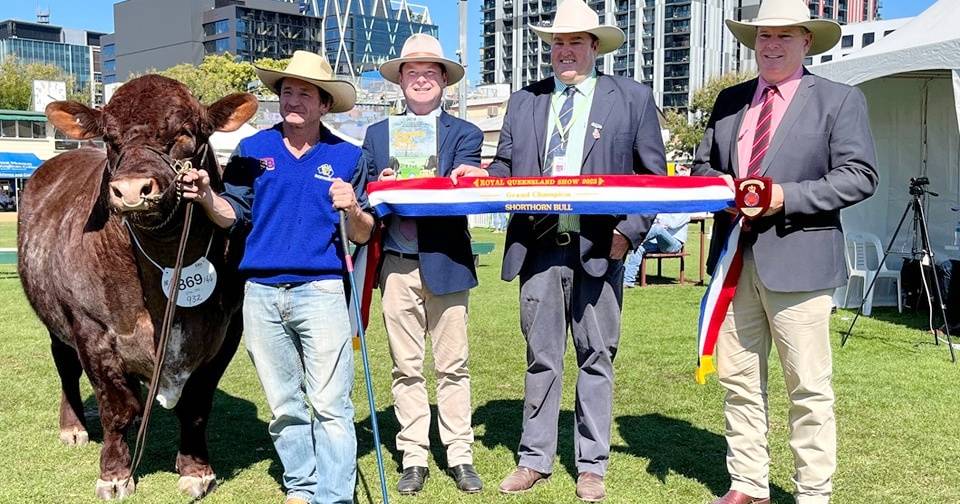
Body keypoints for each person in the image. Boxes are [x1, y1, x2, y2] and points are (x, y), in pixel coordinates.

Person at [691, 1, 878, 503]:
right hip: (733, 261)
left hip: (801, 263)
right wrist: (722, 187)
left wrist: (785, 197)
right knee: (739, 380)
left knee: (809, 391)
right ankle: (748, 484)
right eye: (763, 36)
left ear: (807, 41)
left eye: (783, 36)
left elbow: (860, 176)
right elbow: (701, 167)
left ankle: (813, 493)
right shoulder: (730, 100)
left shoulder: (840, 100)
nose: (770, 45)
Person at [483, 0, 666, 501]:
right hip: (538, 245)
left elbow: (655, 179)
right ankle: (534, 459)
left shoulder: (632, 98)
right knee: (541, 357)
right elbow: (503, 167)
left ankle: (591, 464)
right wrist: (479, 179)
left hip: (599, 249)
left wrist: (627, 234)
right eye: (558, 43)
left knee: (596, 355)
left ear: (595, 47)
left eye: (575, 42)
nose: (565, 51)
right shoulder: (525, 101)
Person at [180, 51, 375, 504]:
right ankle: (302, 486)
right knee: (284, 405)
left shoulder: (348, 156)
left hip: (322, 291)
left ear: (325, 104)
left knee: (330, 404)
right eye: (287, 91)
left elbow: (362, 235)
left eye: (305, 93)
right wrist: (209, 197)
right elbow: (234, 217)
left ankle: (335, 494)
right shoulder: (253, 150)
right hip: (261, 293)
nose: (294, 100)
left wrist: (353, 207)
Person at [363, 33, 487, 495]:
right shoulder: (376, 137)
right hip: (395, 264)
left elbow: (466, 194)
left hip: (448, 261)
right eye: (411, 73)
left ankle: (460, 454)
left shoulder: (467, 134)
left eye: (429, 72)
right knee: (405, 367)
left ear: (443, 82)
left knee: (454, 366)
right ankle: (413, 455)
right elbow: (363, 202)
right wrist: (381, 186)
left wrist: (462, 180)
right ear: (399, 82)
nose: (420, 80)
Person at [622, 212, 690, 288]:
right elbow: (656, 220)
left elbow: (672, 224)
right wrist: (659, 220)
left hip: (674, 244)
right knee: (639, 247)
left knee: (657, 229)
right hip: (657, 242)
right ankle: (628, 281)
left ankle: (633, 239)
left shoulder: (684, 212)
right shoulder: (667, 209)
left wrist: (660, 220)